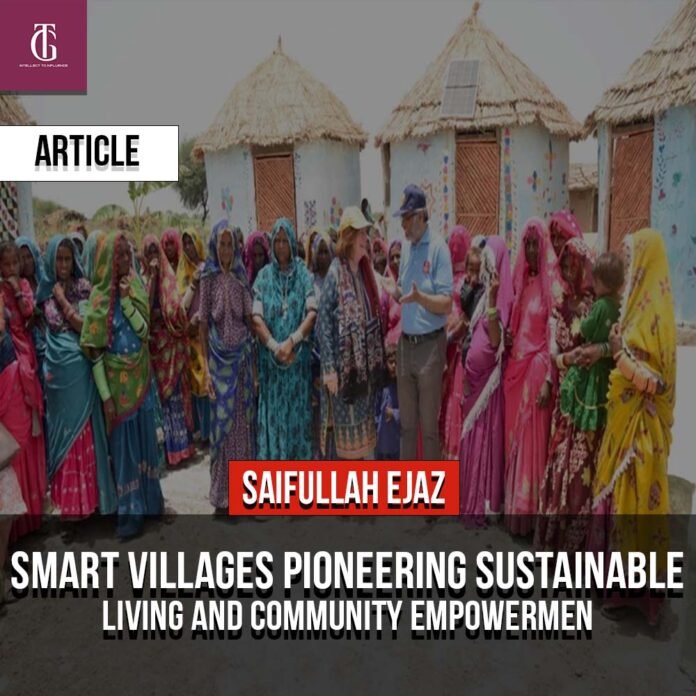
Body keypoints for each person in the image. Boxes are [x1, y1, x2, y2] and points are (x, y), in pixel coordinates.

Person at [590, 229, 676, 625]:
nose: (625, 269)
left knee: (635, 502)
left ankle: (636, 596)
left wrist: (619, 353)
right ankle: (621, 590)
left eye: (630, 259)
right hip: (625, 425)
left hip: (641, 432)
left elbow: (656, 383)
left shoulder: (654, 319)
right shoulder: (637, 312)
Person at [80, 232, 164, 538]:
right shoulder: (99, 300)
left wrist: (128, 302)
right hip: (117, 389)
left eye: (127, 255)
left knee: (145, 445)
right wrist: (106, 397)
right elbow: (95, 353)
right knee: (125, 450)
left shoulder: (136, 288)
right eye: (119, 256)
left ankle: (152, 504)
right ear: (106, 261)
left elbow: (143, 332)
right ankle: (131, 518)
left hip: (142, 381)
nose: (125, 261)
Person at [37, 235, 116, 518]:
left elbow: (85, 326)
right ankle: (71, 506)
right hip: (59, 376)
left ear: (75, 261)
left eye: (68, 259)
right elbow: (54, 324)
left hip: (83, 372)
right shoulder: (44, 292)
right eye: (58, 259)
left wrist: (62, 299)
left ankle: (90, 501)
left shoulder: (84, 287)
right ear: (50, 261)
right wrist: (56, 298)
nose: (63, 264)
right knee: (66, 435)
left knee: (86, 432)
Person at [382, 185, 452, 460]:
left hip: (429, 348)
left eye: (407, 218)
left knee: (428, 428)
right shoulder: (408, 250)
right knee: (407, 427)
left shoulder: (438, 250)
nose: (403, 225)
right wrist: (393, 290)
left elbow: (446, 303)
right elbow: (405, 296)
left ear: (422, 216)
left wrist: (421, 297)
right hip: (405, 347)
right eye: (402, 218)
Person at [535, 237, 597, 551]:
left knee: (583, 472)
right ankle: (557, 544)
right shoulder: (560, 309)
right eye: (567, 264)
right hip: (566, 404)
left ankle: (582, 549)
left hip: (591, 404)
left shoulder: (599, 308)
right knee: (560, 465)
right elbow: (554, 352)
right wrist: (568, 360)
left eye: (577, 264)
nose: (572, 270)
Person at [504, 218, 563, 535]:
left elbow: (554, 335)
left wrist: (549, 381)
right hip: (517, 371)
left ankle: (531, 521)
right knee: (515, 442)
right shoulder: (523, 284)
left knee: (532, 444)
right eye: (525, 244)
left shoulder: (549, 288)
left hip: (538, 372)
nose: (529, 250)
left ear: (543, 247)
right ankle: (515, 515)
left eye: (534, 244)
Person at [317, 207, 385, 460]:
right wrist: (329, 369)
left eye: (366, 233)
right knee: (347, 446)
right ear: (347, 237)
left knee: (365, 442)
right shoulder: (336, 273)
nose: (365, 239)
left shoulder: (364, 272)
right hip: (344, 376)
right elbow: (323, 324)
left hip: (363, 374)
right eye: (360, 233)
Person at [199, 220, 256, 511]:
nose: (225, 249)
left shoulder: (239, 278)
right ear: (214, 245)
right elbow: (202, 325)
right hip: (219, 365)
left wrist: (255, 368)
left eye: (229, 244)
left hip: (242, 361)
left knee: (241, 427)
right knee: (221, 427)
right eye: (221, 243)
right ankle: (222, 495)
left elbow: (249, 320)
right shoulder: (207, 279)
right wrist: (206, 371)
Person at [458, 237, 513, 524]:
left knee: (481, 439)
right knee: (470, 439)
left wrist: (492, 301)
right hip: (474, 381)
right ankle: (467, 499)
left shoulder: (500, 297)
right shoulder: (482, 293)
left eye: (490, 265)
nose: (486, 271)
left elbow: (494, 339)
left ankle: (481, 503)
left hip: (486, 385)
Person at [252, 218, 316, 459]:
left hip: (296, 368)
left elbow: (312, 313)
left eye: (285, 240)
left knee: (296, 422)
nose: (281, 246)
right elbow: (256, 318)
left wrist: (291, 341)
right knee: (275, 422)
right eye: (276, 241)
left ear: (292, 241)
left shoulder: (304, 275)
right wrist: (274, 346)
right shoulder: (263, 277)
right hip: (272, 370)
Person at [0, 241, 46, 540]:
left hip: (24, 362)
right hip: (9, 368)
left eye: (15, 263)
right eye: (5, 265)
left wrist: (17, 290)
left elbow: (30, 314)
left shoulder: (23, 287)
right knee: (14, 442)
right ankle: (13, 523)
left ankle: (32, 514)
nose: (11, 269)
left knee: (29, 438)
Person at [142, 234, 195, 467]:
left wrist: (164, 316)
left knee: (174, 395)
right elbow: (142, 309)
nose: (154, 256)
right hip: (153, 347)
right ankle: (167, 451)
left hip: (170, 345)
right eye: (149, 252)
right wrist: (152, 280)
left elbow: (176, 311)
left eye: (156, 251)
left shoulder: (170, 279)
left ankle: (182, 449)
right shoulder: (144, 280)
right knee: (161, 400)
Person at [438, 225, 470, 460]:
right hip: (447, 349)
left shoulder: (465, 280)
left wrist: (447, 337)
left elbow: (465, 319)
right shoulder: (451, 279)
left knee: (452, 401)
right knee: (448, 401)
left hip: (455, 348)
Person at [177, 227, 210, 444]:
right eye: (185, 243)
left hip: (208, 333)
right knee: (197, 384)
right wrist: (193, 282)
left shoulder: (208, 268)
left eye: (192, 242)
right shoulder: (183, 272)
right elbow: (181, 307)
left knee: (208, 381)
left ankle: (211, 430)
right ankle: (203, 432)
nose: (189, 247)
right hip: (191, 334)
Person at [307, 227, 334, 457]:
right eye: (320, 252)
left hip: (333, 357)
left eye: (327, 252)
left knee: (333, 411)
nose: (323, 256)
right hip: (314, 359)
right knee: (317, 411)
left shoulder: (337, 280)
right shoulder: (308, 281)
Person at [15, 236, 46, 378]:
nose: (27, 262)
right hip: (29, 349)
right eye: (22, 258)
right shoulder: (16, 289)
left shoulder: (44, 282)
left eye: (29, 256)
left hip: (52, 346)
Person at [375, 343, 399, 460]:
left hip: (396, 444)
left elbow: (409, 413)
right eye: (391, 362)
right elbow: (375, 411)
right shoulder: (381, 386)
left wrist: (394, 413)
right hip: (381, 443)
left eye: (397, 362)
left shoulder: (403, 388)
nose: (394, 366)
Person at [381, 239, 403, 346]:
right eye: (392, 258)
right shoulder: (387, 288)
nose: (395, 261)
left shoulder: (413, 284)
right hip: (391, 352)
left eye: (398, 256)